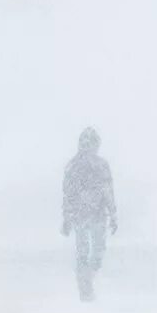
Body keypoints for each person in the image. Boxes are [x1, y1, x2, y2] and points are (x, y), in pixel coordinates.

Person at [61, 127, 117, 300]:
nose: (86, 146)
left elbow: (108, 191)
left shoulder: (100, 166)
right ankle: (85, 290)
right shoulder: (74, 166)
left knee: (95, 253)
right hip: (84, 216)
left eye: (90, 143)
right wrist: (67, 218)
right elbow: (68, 194)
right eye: (84, 143)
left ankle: (87, 284)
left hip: (95, 215)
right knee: (85, 253)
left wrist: (113, 214)